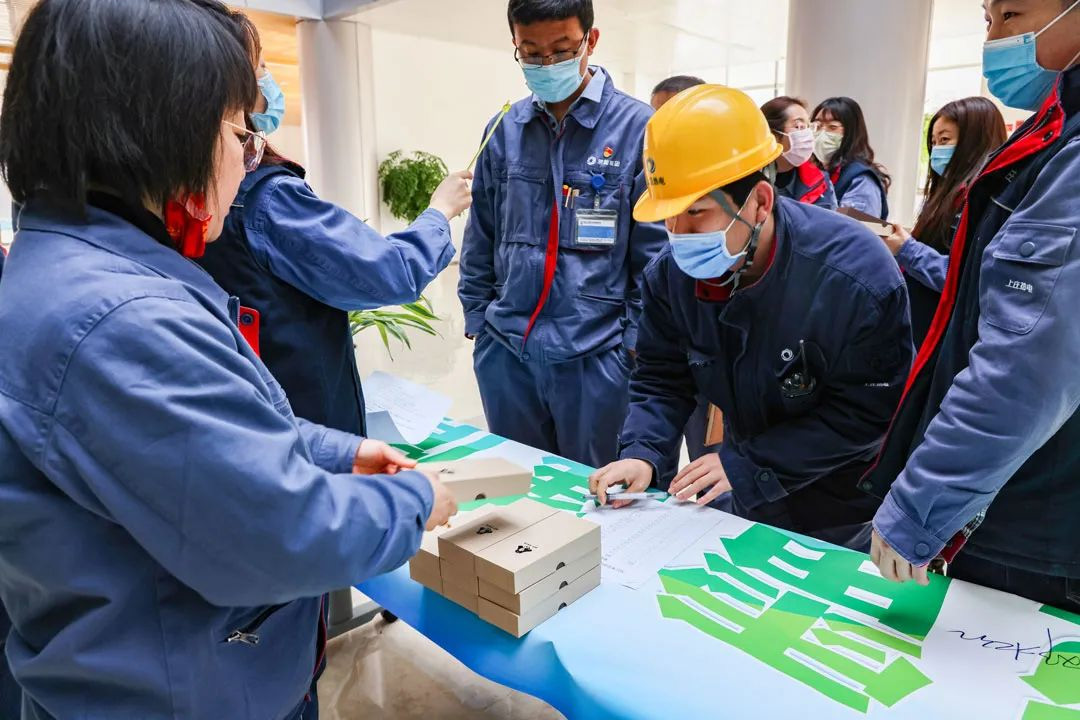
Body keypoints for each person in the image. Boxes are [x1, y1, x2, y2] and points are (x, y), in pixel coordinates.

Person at [0, 3, 457, 719]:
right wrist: (417, 501)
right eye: (240, 133)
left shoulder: (63, 267)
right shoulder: (123, 318)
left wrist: (335, 451)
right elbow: (279, 531)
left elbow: (188, 439)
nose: (247, 159)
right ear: (165, 125)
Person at [589, 85, 912, 551]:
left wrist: (747, 464)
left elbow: (871, 411)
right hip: (748, 489)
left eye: (696, 213)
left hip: (841, 497)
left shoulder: (855, 274)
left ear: (760, 201)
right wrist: (643, 453)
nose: (678, 234)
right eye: (669, 216)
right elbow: (662, 378)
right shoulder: (671, 276)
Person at [865, 0, 1080, 605]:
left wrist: (922, 503)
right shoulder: (1050, 132)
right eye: (988, 20)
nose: (996, 38)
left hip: (1032, 511)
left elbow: (1027, 362)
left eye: (1012, 13)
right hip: (1013, 487)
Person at [200, 12, 471, 439]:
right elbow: (389, 272)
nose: (268, 80)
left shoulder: (190, 196)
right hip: (304, 426)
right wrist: (440, 212)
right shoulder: (267, 198)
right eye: (261, 68)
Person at [459, 0, 666, 468]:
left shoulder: (638, 128)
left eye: (562, 49)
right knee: (522, 491)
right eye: (531, 53)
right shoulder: (504, 129)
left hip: (597, 358)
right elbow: (481, 234)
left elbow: (654, 255)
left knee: (602, 495)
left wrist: (632, 344)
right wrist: (478, 322)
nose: (547, 63)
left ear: (591, 40)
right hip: (507, 353)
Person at [881, 97, 1006, 347]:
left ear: (975, 141)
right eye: (934, 142)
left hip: (947, 338)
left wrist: (907, 249)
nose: (937, 150)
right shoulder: (950, 194)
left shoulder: (987, 201)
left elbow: (966, 277)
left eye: (945, 140)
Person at [811, 96, 891, 219]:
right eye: (817, 126)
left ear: (851, 132)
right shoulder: (815, 171)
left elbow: (855, 228)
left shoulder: (860, 179)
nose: (822, 133)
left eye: (832, 127)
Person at [762, 96, 837, 209]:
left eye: (808, 126)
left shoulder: (819, 180)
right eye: (799, 126)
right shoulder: (746, 181)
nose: (808, 133)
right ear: (773, 135)